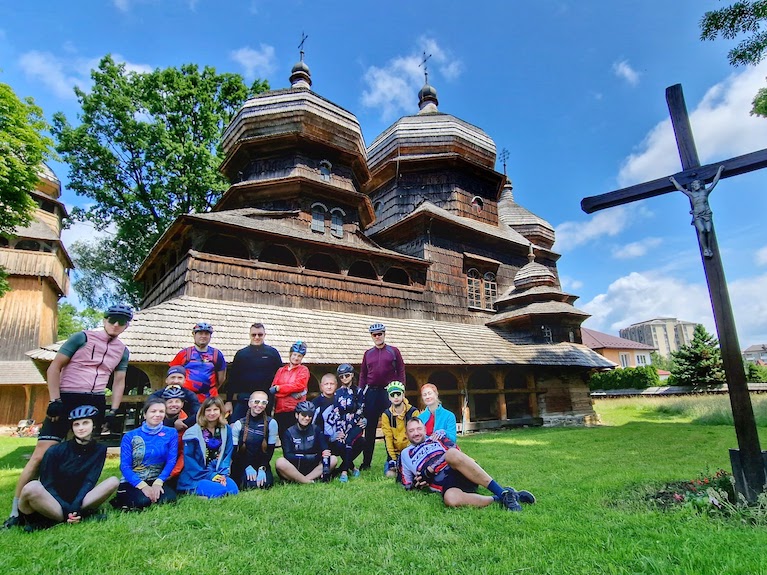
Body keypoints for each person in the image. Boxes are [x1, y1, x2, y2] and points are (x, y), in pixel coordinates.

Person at [5, 303, 132, 528]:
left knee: (82, 454)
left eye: (121, 321)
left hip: (95, 399)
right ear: (104, 319)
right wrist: (55, 401)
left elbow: (119, 381)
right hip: (68, 396)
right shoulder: (81, 338)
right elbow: (54, 368)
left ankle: (66, 504)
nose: (115, 324)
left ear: (126, 325)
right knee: (40, 456)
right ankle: (16, 511)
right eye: (112, 319)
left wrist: (113, 410)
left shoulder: (122, 350)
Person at [17, 406, 119, 530]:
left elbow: (90, 480)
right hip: (52, 501)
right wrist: (66, 508)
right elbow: (47, 484)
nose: (81, 428)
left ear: (93, 425)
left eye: (85, 423)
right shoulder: (55, 451)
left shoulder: (100, 450)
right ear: (72, 427)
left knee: (113, 481)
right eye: (76, 424)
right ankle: (68, 517)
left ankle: (70, 516)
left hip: (77, 499)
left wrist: (75, 505)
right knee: (31, 487)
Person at [400, 418, 535, 511]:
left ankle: (502, 492)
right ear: (407, 434)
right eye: (411, 431)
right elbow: (407, 483)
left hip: (462, 470)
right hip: (445, 484)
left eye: (419, 429)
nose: (416, 433)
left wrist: (430, 470)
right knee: (450, 499)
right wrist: (416, 485)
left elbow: (457, 453)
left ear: (425, 429)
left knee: (451, 454)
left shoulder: (437, 438)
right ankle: (505, 497)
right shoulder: (405, 454)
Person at [111, 398, 178, 510]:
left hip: (156, 479)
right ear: (145, 414)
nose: (157, 414)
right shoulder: (130, 436)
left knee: (169, 500)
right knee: (142, 502)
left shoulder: (171, 433)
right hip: (133, 481)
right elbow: (124, 466)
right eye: (153, 411)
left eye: (161, 411)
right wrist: (143, 486)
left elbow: (171, 461)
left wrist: (159, 482)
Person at [358, 322, 405, 470]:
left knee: (390, 427)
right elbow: (363, 375)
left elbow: (401, 371)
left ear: (384, 334)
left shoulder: (393, 351)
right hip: (371, 392)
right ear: (371, 336)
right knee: (370, 429)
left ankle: (391, 459)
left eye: (380, 334)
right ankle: (366, 463)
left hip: (388, 392)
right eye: (374, 335)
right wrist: (360, 393)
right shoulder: (368, 353)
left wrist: (401, 390)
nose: (377, 337)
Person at [178, 396, 239, 498]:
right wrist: (211, 476)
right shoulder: (192, 433)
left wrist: (222, 475)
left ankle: (210, 492)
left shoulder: (226, 429)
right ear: (203, 412)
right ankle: (193, 492)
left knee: (233, 490)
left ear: (221, 411)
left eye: (215, 409)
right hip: (197, 475)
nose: (212, 413)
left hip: (217, 472)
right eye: (208, 410)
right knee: (220, 491)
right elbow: (190, 461)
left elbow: (227, 454)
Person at [225, 323, 283, 421]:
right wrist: (228, 401)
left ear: (265, 335)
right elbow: (232, 379)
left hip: (265, 399)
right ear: (249, 335)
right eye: (254, 334)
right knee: (236, 427)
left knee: (263, 430)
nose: (256, 337)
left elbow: (281, 377)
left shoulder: (273, 353)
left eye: (260, 334)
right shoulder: (241, 354)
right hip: (244, 398)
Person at [275, 401, 337, 484]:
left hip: (313, 468)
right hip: (295, 467)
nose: (307, 418)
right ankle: (308, 481)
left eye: (310, 415)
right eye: (304, 415)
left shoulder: (317, 430)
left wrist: (324, 454)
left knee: (333, 459)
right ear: (297, 415)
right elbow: (288, 455)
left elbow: (324, 449)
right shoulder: (288, 432)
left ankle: (303, 480)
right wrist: (310, 457)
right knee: (280, 462)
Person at [326, 364, 366, 482]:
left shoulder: (358, 391)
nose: (344, 378)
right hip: (342, 424)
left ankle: (344, 472)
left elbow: (360, 408)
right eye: (342, 376)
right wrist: (340, 429)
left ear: (352, 375)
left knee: (348, 441)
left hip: (355, 423)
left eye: (347, 375)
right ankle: (353, 468)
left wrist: (351, 424)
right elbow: (336, 411)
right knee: (340, 443)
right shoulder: (337, 393)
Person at [169, 322, 227, 404]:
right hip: (186, 398)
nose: (203, 336)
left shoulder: (217, 354)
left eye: (206, 333)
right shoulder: (183, 354)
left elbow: (221, 378)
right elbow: (172, 375)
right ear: (194, 334)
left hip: (209, 399)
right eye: (200, 333)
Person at [231, 391, 278, 489]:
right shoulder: (239, 424)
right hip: (242, 464)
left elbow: (270, 450)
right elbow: (234, 452)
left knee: (265, 485)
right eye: (256, 402)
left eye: (263, 403)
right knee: (250, 485)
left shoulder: (272, 423)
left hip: (261, 464)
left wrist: (262, 467)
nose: (259, 405)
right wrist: (246, 466)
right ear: (249, 403)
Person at [271, 341, 310, 443]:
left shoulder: (303, 370)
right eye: (294, 355)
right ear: (290, 355)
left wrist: (280, 389)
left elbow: (299, 385)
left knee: (295, 439)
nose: (296, 358)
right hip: (280, 410)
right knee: (283, 438)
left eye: (299, 356)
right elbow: (273, 388)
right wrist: (288, 392)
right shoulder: (281, 370)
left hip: (295, 410)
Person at [380, 381, 420, 478]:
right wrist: (393, 458)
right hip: (396, 454)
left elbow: (416, 436)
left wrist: (406, 456)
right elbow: (388, 438)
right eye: (392, 395)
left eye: (398, 394)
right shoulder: (386, 415)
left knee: (414, 473)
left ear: (403, 395)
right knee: (390, 474)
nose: (396, 397)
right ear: (389, 398)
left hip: (412, 451)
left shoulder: (413, 412)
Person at [149, 366, 201, 430]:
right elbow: (150, 414)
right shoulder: (156, 396)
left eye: (180, 378)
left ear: (184, 380)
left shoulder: (190, 395)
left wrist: (183, 423)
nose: (176, 381)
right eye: (173, 377)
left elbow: (198, 414)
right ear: (166, 380)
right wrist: (173, 424)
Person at [159, 385, 187, 489]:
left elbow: (184, 453)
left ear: (182, 404)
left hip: (178, 464)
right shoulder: (156, 419)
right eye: (170, 402)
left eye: (177, 401)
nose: (174, 405)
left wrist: (173, 473)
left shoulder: (186, 422)